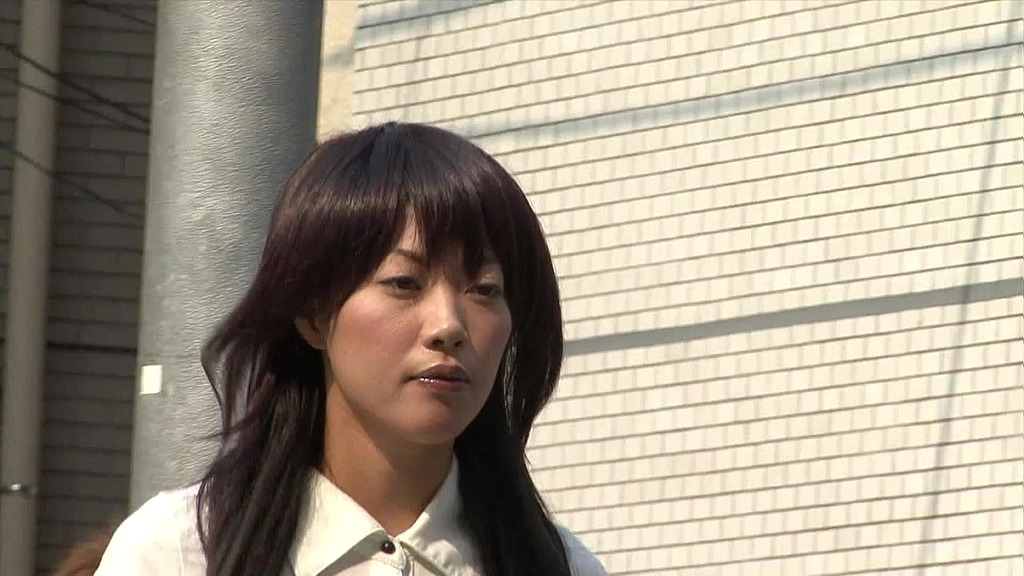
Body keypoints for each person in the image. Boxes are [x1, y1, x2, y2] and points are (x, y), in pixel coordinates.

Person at [93, 122, 607, 576]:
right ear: (313, 313)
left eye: (485, 289)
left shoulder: (559, 565)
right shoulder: (182, 551)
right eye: (404, 283)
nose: (448, 326)